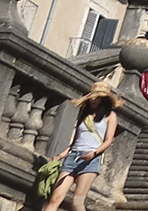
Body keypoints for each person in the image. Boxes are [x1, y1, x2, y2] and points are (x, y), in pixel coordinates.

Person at [44, 82, 119, 211]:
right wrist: (61, 155)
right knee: (54, 199)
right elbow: (76, 141)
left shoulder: (110, 116)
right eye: (92, 97)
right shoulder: (85, 114)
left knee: (77, 202)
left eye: (97, 97)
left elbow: (108, 141)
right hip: (73, 156)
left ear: (103, 99)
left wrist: (94, 153)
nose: (93, 100)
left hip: (90, 159)